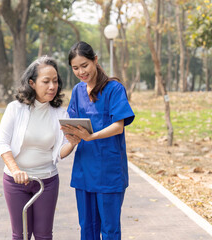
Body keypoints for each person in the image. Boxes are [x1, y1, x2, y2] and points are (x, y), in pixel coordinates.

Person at [0, 56, 80, 240]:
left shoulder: (60, 113)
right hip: (16, 182)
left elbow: (58, 153)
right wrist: (15, 170)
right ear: (32, 83)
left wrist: (73, 143)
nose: (52, 86)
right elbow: (2, 142)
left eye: (55, 81)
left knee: (43, 235)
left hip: (47, 181)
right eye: (46, 81)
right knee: (21, 235)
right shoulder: (15, 109)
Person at [61, 41, 135, 240]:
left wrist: (91, 136)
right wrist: (70, 133)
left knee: (110, 230)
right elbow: (72, 120)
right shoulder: (77, 91)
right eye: (75, 68)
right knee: (87, 227)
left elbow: (118, 125)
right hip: (84, 169)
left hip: (109, 172)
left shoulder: (114, 89)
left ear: (95, 60)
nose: (81, 72)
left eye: (84, 65)